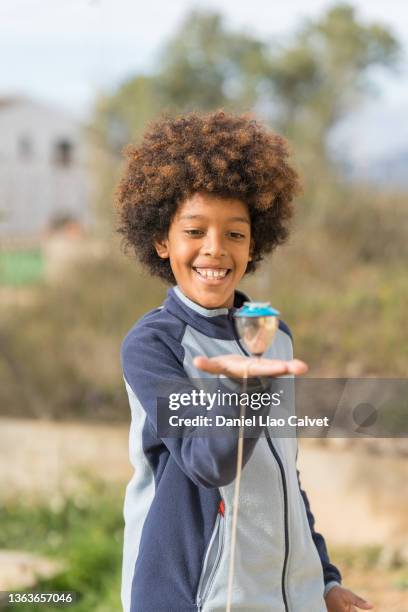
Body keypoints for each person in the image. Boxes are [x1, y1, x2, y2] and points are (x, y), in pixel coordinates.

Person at [115, 111, 373, 612]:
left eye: (235, 233)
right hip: (194, 598)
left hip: (285, 599)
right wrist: (250, 389)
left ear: (254, 244)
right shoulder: (154, 345)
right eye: (195, 230)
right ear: (162, 240)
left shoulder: (275, 336)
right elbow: (209, 464)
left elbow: (283, 476)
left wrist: (322, 580)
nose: (215, 248)